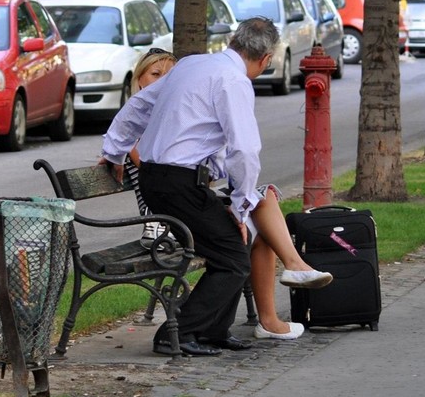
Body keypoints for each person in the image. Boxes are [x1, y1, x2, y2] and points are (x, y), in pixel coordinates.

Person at [124, 47, 331, 341]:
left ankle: (224, 328)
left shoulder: (174, 113)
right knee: (235, 252)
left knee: (253, 225)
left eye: (169, 75)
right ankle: (180, 334)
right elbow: (154, 162)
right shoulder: (146, 122)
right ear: (140, 80)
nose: (165, 81)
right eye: (156, 75)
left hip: (180, 202)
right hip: (161, 224)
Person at [101, 18, 280, 357]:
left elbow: (139, 105)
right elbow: (244, 150)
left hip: (164, 179)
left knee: (232, 249)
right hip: (177, 182)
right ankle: (177, 333)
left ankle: (212, 330)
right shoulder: (234, 81)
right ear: (266, 58)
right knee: (232, 256)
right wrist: (242, 204)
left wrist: (114, 148)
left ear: (232, 41)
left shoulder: (192, 64)